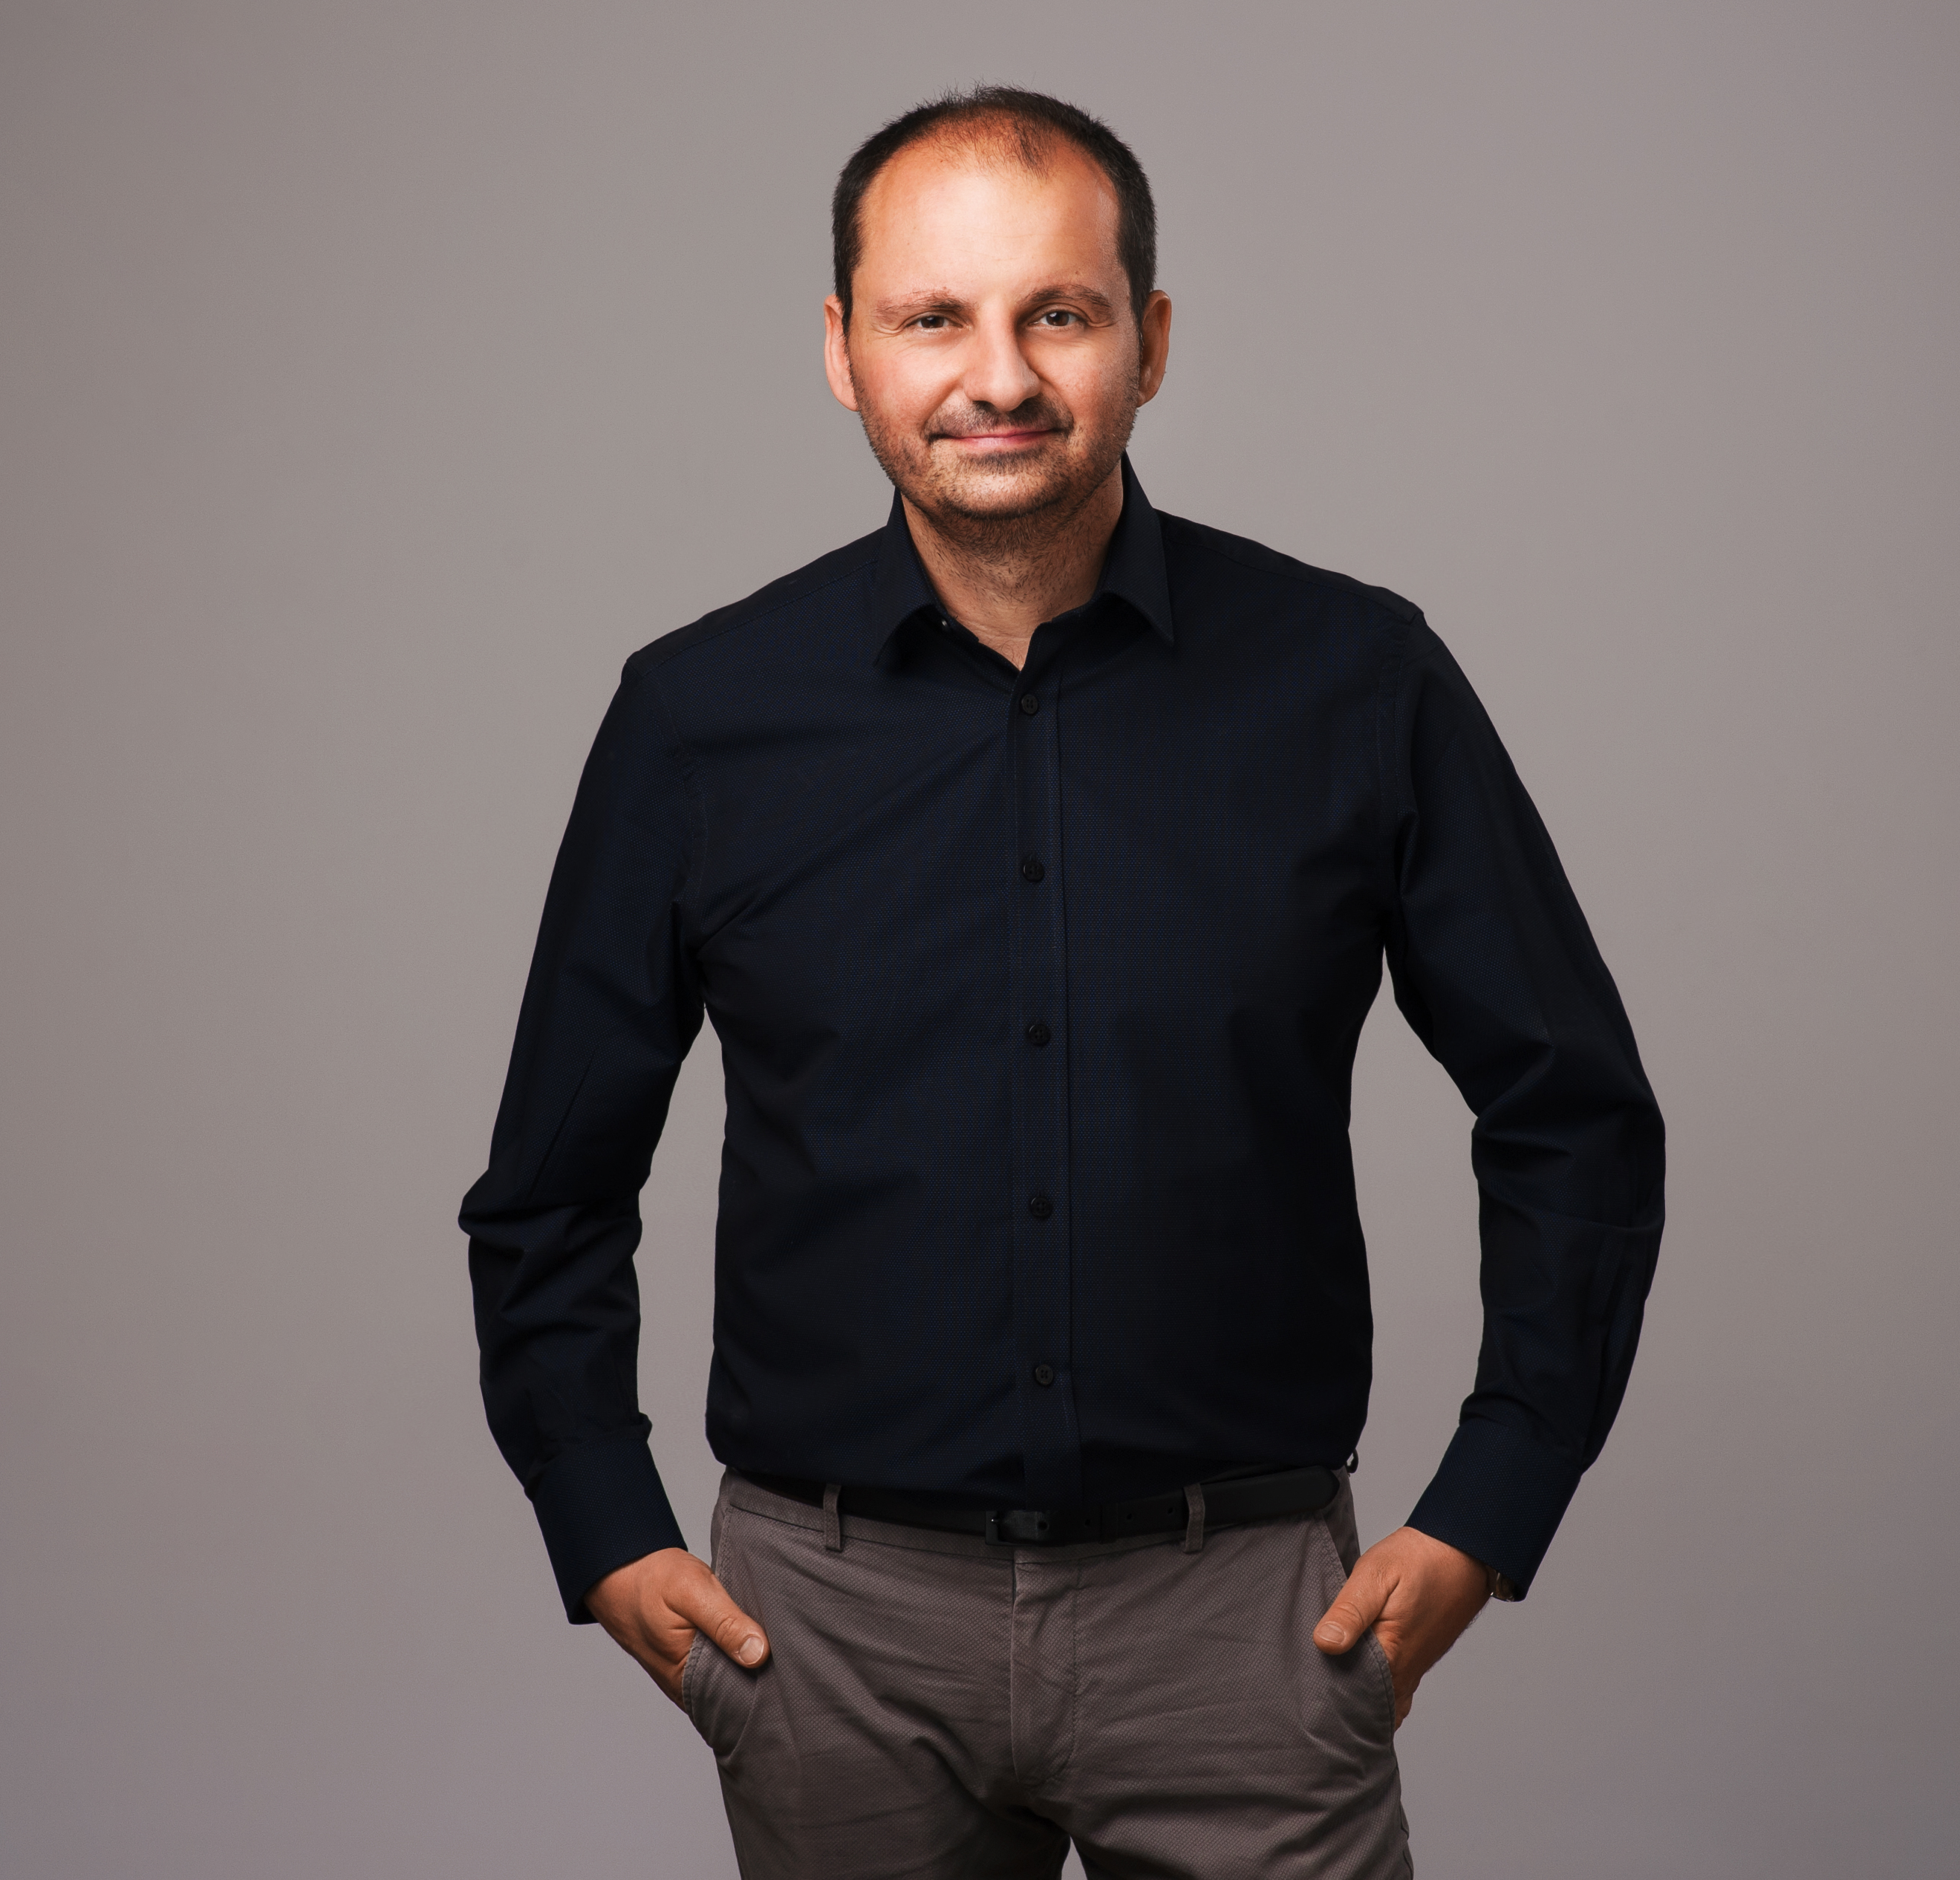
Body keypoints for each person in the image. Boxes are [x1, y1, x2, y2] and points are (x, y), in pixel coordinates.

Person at [462, 86, 1664, 1879]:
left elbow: (1573, 1112)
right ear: (843, 350)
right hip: (831, 1642)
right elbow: (550, 1185)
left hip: (1245, 1620)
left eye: (1060, 313)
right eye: (932, 317)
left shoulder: (1358, 680)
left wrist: (1500, 1494)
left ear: (1149, 342)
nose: (998, 376)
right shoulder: (698, 720)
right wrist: (599, 1512)